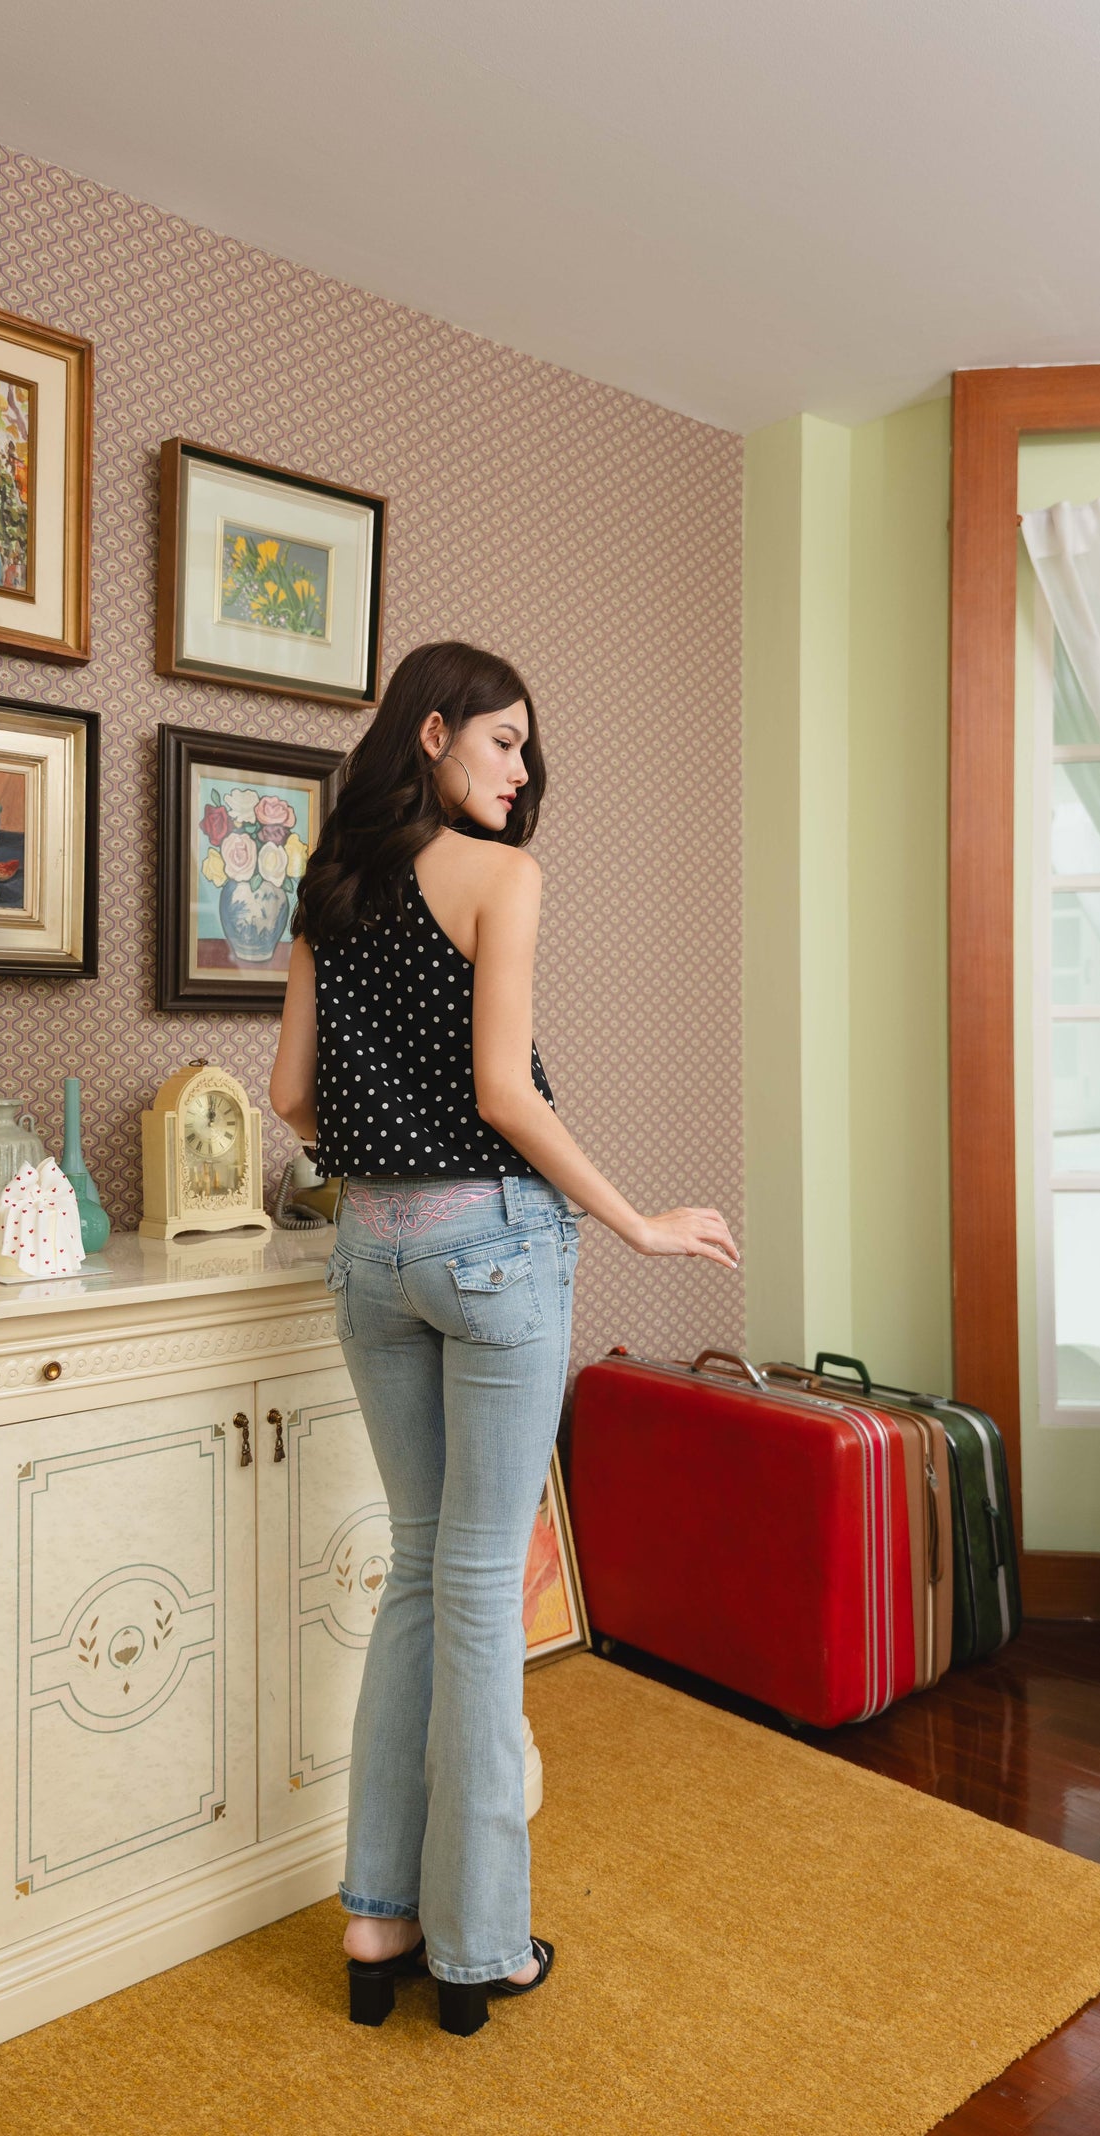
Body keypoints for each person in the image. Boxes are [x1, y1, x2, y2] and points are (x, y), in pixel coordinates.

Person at [269, 639, 739, 2036]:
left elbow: (291, 1096)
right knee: (479, 1592)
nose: (522, 773)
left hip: (367, 1248)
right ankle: (476, 1945)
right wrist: (641, 1222)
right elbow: (505, 1094)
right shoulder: (503, 880)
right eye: (504, 742)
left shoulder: (327, 887)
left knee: (417, 1576)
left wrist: (386, 1158)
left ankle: (375, 1917)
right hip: (490, 1244)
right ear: (430, 734)